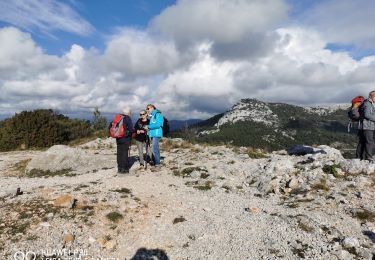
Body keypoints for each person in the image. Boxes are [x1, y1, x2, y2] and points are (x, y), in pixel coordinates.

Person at [144, 104, 164, 170]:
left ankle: (158, 165)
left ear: (152, 108)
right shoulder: (153, 115)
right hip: (153, 134)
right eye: (146, 108)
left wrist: (149, 127)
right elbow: (152, 122)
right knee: (155, 148)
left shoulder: (158, 114)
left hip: (156, 134)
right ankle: (156, 164)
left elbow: (158, 124)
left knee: (155, 149)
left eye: (148, 108)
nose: (147, 110)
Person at [357, 91, 375, 162]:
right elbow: (367, 115)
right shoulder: (368, 104)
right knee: (369, 142)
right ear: (373, 96)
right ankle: (369, 157)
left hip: (367, 126)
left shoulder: (370, 104)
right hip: (367, 126)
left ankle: (359, 157)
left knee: (362, 142)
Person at [116, 107, 134, 173]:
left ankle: (119, 168)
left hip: (118, 138)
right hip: (125, 138)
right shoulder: (127, 118)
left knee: (119, 152)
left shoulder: (118, 117)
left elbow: (110, 126)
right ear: (128, 113)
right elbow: (131, 129)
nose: (130, 114)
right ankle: (124, 169)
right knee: (124, 153)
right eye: (130, 113)